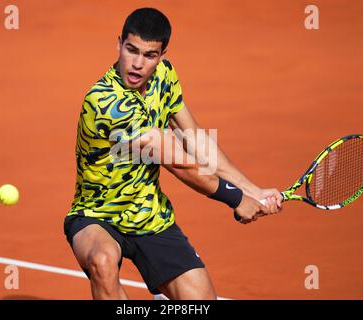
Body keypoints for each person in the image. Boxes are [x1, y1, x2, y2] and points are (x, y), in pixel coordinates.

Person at [63, 7, 282, 300]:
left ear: (162, 56)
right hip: (97, 216)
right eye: (131, 50)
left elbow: (193, 139)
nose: (138, 64)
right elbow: (180, 165)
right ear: (118, 44)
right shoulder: (105, 101)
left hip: (149, 215)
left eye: (149, 55)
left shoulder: (164, 77)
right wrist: (237, 199)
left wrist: (252, 190)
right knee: (102, 261)